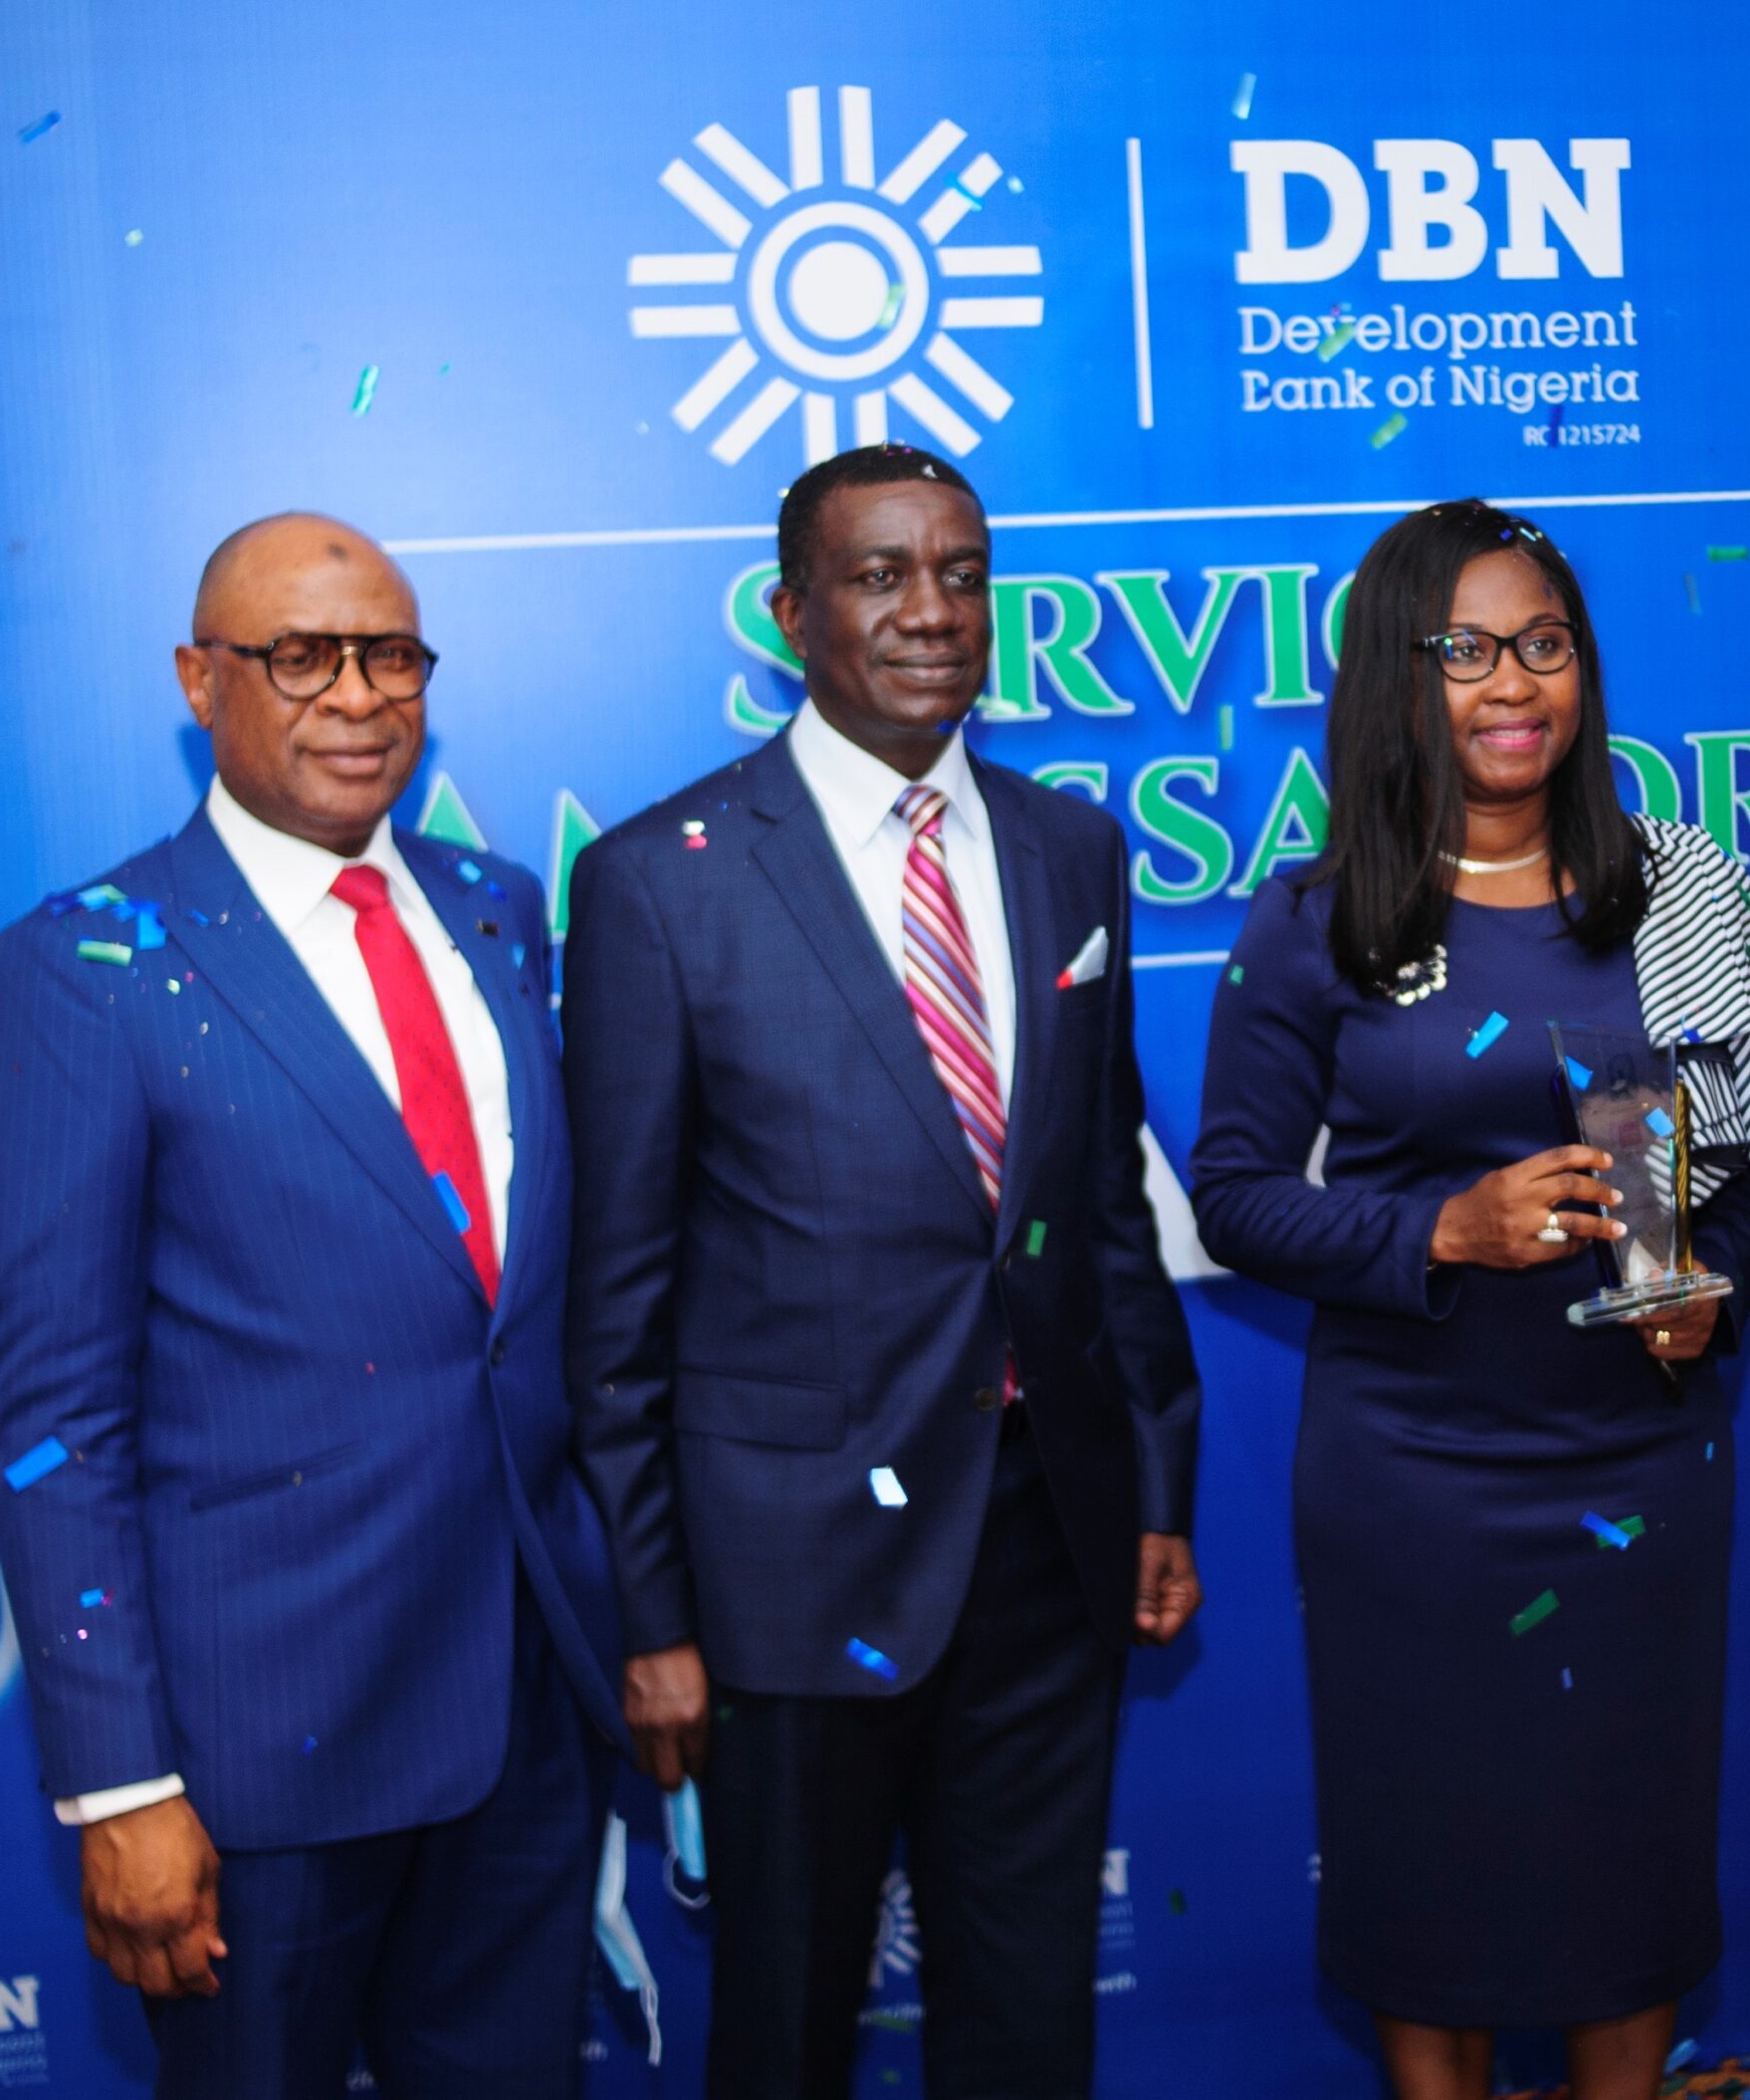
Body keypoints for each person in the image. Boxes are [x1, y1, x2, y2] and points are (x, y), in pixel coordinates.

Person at [562, 441, 1203, 2099]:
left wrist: (1152, 1481)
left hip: (1044, 1543)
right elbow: (618, 1302)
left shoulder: (1075, 853)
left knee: (1027, 2014)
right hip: (787, 1581)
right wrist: (656, 1615)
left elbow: (1102, 1205)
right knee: (784, 2026)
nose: (933, 611)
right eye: (880, 574)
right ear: (792, 612)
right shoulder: (659, 882)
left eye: (963, 573)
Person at [0, 514, 627, 2096]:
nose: (356, 693)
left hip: (523, 1709)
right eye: (300, 655)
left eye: (390, 654)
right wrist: (120, 1782)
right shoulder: (86, 966)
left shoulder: (501, 909)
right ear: (202, 681)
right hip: (254, 1755)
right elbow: (55, 1417)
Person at [1190, 499, 1750, 2100]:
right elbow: (1234, 1195)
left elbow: (1741, 1149)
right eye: (1463, 649)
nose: (1511, 681)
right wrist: (1437, 1230)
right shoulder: (1317, 915)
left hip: (1639, 1465)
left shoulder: (1681, 885)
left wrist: (1703, 1292)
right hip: (1412, 1482)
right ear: (1398, 677)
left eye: (1543, 642)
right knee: (1426, 1875)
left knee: (1628, 1862)